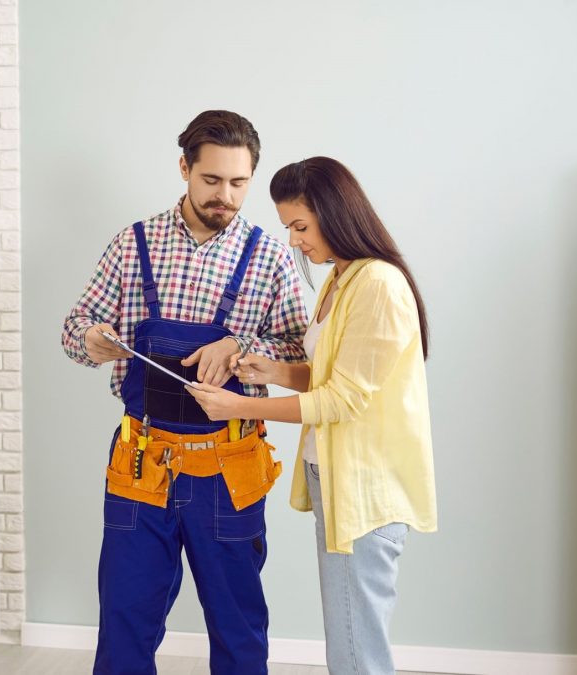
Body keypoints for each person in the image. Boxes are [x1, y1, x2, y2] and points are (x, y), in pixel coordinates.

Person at [62, 110, 308, 674]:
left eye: (238, 183)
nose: (225, 195)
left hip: (229, 466)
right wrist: (93, 341)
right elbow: (75, 327)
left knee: (238, 625)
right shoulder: (133, 244)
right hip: (140, 463)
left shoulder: (270, 256)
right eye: (211, 180)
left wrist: (241, 345)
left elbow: (303, 354)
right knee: (125, 618)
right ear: (184, 169)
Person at [187, 156, 438, 675]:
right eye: (288, 229)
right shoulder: (339, 281)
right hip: (337, 480)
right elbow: (327, 376)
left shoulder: (378, 285)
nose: (295, 241)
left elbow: (342, 401)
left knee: (355, 648)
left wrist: (240, 406)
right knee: (348, 638)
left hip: (366, 489)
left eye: (301, 227)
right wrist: (276, 370)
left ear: (334, 213)